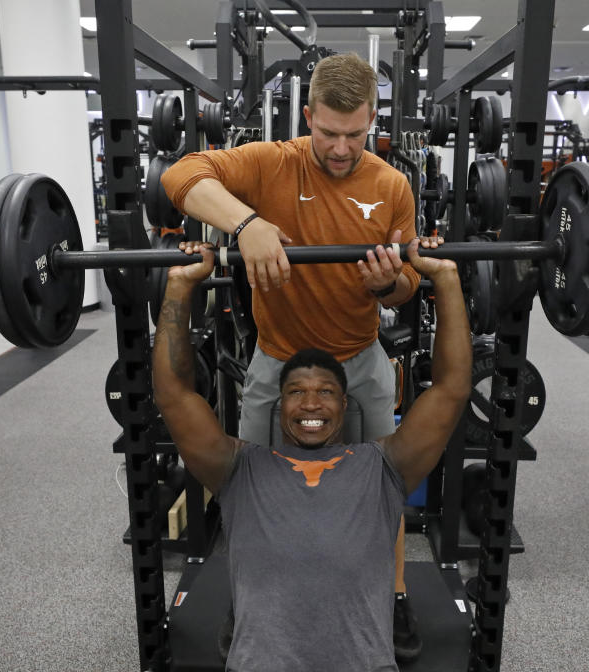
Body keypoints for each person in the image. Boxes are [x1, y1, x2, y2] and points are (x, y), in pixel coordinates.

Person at [161, 51, 426, 658]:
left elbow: (410, 282)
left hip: (360, 359)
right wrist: (247, 223)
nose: (340, 148)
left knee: (382, 489)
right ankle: (246, 598)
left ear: (373, 119)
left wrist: (386, 284)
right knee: (247, 486)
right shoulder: (267, 164)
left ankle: (396, 595)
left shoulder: (391, 185)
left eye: (355, 134)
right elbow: (181, 177)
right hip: (276, 360)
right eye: (328, 133)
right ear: (307, 116)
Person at [152, 238, 472, 672]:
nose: (310, 404)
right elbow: (174, 393)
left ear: (345, 405)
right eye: (295, 393)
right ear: (278, 405)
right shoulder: (239, 469)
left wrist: (447, 277)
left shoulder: (382, 467)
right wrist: (179, 284)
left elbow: (451, 388)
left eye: (325, 393)